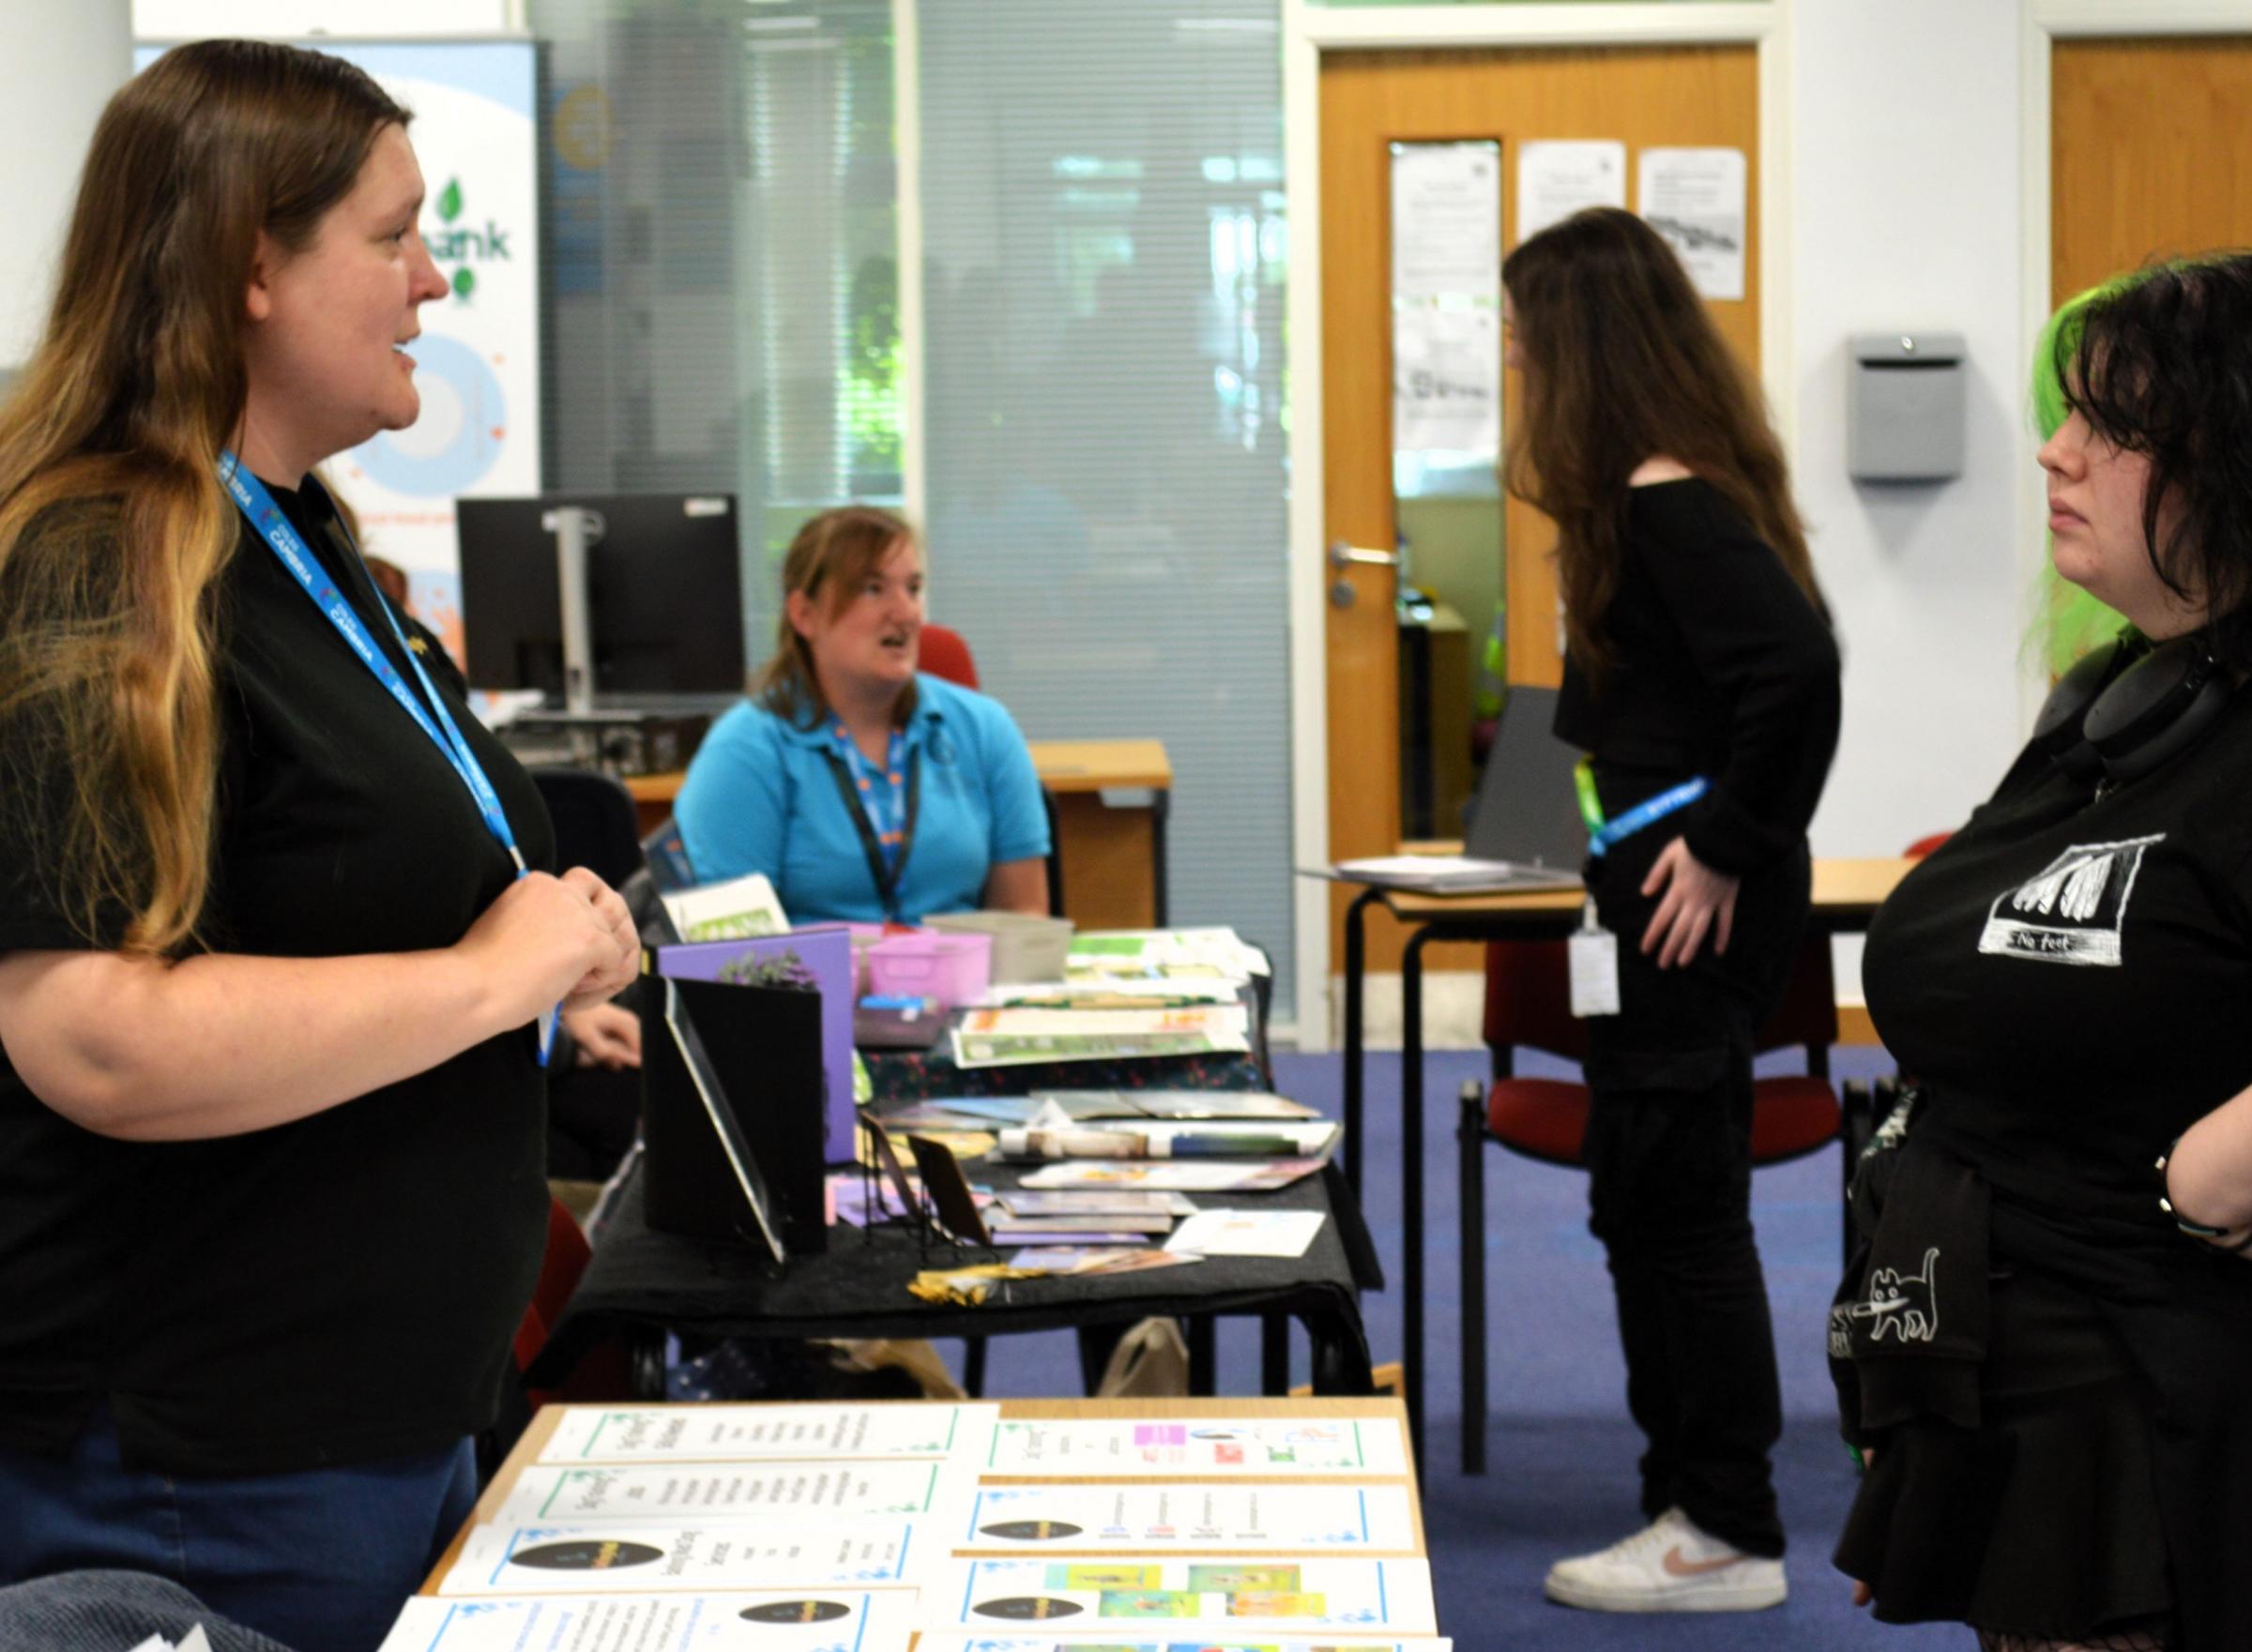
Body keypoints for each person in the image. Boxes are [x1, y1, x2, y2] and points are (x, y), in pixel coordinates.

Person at [0, 40, 639, 1652]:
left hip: (376, 1417)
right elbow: (95, 1034)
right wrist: (487, 978)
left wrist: (549, 963)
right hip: (209, 1468)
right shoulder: (97, 567)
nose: (433, 281)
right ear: (251, 263)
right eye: (395, 235)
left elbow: (341, 903)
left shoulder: (304, 547)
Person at [1833, 256, 2252, 1652]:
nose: (2056, 451)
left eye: (2115, 427)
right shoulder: (2125, 693)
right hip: (2006, 1368)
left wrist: (2220, 1169)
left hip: (2155, 1407)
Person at [1497, 207, 1842, 1613]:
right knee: (1647, 1203)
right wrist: (1518, 829)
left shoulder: (1667, 497)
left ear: (1582, 345)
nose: (1510, 351)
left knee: (1682, 1215)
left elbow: (1799, 677)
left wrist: (1720, 846)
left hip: (1687, 917)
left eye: (1525, 329)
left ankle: (1728, 1530)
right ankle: (1685, 1501)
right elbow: (1623, 712)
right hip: (1647, 903)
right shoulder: (1643, 502)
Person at [674, 504, 1050, 922]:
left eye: (913, 588)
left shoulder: (984, 729)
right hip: (811, 987)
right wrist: (867, 970)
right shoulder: (745, 749)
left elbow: (1024, 915)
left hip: (958, 986)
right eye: (873, 589)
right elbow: (730, 947)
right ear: (804, 614)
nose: (907, 613)